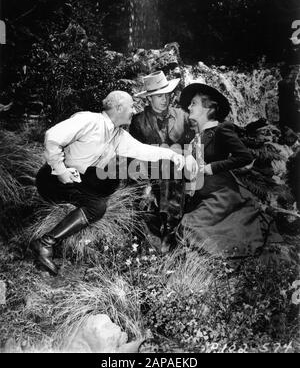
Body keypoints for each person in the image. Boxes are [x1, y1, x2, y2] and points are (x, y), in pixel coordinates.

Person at [32, 91, 186, 276]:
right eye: (131, 106)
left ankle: (48, 239)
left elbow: (142, 150)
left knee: (107, 188)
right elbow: (52, 136)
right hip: (52, 178)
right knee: (97, 205)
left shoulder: (117, 134)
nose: (134, 110)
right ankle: (45, 244)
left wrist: (172, 155)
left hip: (78, 180)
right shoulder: (89, 121)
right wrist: (61, 170)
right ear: (119, 107)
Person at [177, 83, 282, 258]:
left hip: (221, 192)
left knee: (190, 226)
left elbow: (245, 157)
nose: (189, 107)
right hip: (201, 192)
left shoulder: (221, 129)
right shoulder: (196, 135)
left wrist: (211, 168)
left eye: (193, 103)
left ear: (208, 108)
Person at [129, 71, 194, 248]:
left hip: (179, 171)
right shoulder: (138, 122)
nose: (164, 99)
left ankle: (170, 231)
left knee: (172, 173)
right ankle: (154, 238)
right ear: (149, 99)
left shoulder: (183, 116)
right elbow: (133, 154)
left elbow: (197, 138)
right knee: (145, 199)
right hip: (150, 172)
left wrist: (190, 156)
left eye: (166, 94)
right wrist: (145, 182)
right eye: (159, 96)